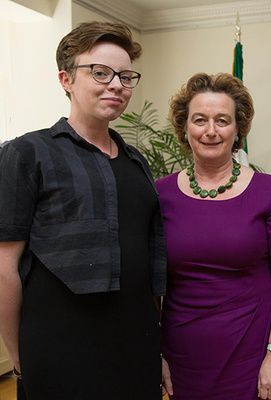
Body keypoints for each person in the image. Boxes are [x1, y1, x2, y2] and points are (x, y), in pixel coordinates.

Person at [0, 21, 166, 399]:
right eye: (100, 73)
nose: (116, 85)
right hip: (59, 351)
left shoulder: (136, 161)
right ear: (66, 79)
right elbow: (4, 268)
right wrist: (19, 355)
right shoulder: (27, 154)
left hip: (135, 346)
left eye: (125, 76)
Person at [158, 72, 271, 400]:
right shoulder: (159, 194)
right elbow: (149, 284)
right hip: (184, 354)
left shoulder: (269, 191)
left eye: (222, 120)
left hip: (254, 352)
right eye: (199, 120)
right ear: (184, 126)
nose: (210, 131)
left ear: (238, 130)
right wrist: (159, 353)